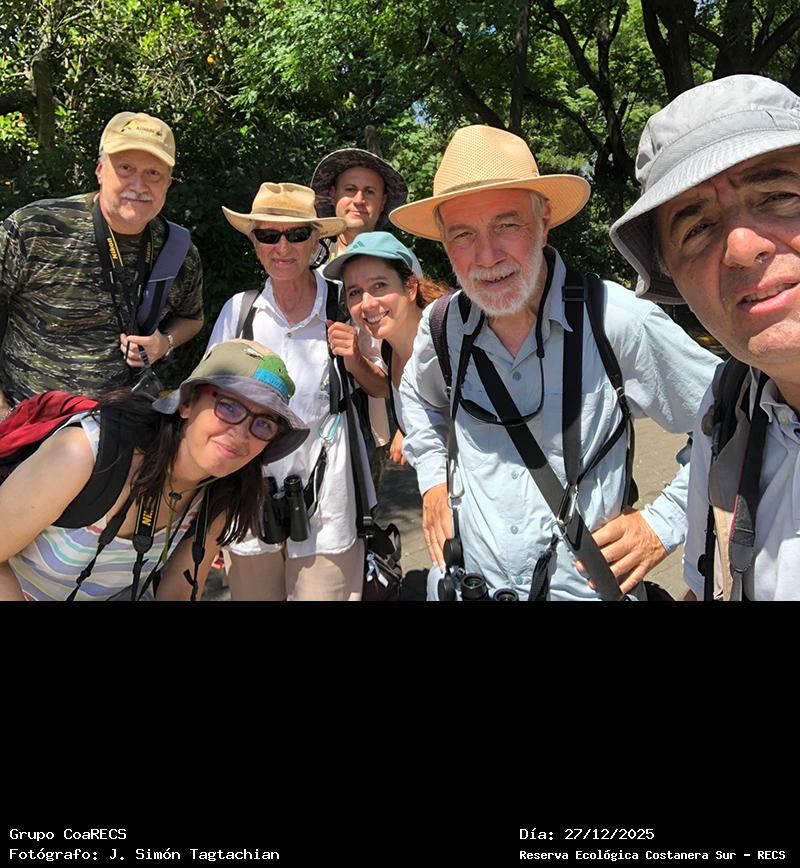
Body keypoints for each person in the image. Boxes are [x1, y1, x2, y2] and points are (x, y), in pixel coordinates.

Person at [389, 124, 721, 601]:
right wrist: (433, 483)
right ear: (442, 239)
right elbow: (419, 401)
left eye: (507, 225)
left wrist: (661, 523)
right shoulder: (442, 327)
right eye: (463, 234)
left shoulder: (616, 320)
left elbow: (731, 420)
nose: (487, 256)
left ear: (543, 219)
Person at [610, 74, 800, 601]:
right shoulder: (726, 408)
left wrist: (655, 525)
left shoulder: (610, 316)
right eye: (697, 228)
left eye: (779, 196)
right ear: (674, 278)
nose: (741, 248)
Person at [0, 339, 308, 601]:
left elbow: (177, 593)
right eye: (229, 406)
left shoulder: (220, 493)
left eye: (263, 424)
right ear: (187, 404)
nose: (241, 434)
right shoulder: (86, 453)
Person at [207, 182, 386, 600]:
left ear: (317, 239)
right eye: (269, 235)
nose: (282, 247)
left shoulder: (345, 304)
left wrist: (355, 359)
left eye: (297, 234)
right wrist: (208, 511)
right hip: (248, 502)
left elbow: (382, 386)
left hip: (330, 506)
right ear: (254, 242)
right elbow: (207, 410)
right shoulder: (239, 311)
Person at [0, 111, 204, 417]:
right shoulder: (36, 229)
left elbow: (193, 318)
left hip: (122, 427)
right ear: (100, 170)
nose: (139, 185)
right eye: (125, 168)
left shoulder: (179, 251)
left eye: (153, 173)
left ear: (168, 184)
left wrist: (165, 343)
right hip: (28, 424)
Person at [311, 148, 411, 491]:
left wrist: (407, 422)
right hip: (310, 408)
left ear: (382, 202)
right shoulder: (307, 253)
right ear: (333, 195)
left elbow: (414, 347)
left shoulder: (401, 261)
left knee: (362, 506)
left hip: (372, 411)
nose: (359, 200)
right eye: (350, 189)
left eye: (369, 192)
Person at [322, 231, 448, 465]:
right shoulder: (390, 350)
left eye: (379, 285)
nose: (367, 303)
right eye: (354, 292)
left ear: (410, 287)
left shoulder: (445, 345)